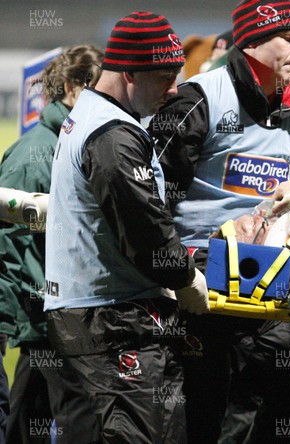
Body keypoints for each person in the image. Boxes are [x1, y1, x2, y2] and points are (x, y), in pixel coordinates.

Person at [149, 1, 290, 442]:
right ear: (253, 41)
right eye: (289, 40)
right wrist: (176, 268)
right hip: (199, 286)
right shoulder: (200, 97)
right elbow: (150, 197)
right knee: (199, 417)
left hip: (275, 284)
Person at [43, 12, 210, 443]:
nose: (174, 89)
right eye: (166, 77)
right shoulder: (114, 134)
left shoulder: (92, 115)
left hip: (90, 313)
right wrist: (186, 276)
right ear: (128, 73)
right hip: (115, 318)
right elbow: (146, 230)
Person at [0, 44, 103, 444]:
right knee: (78, 411)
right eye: (96, 87)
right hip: (48, 316)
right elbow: (7, 246)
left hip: (55, 315)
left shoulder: (73, 141)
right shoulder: (34, 156)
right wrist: (11, 320)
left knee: (29, 416)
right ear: (70, 87)